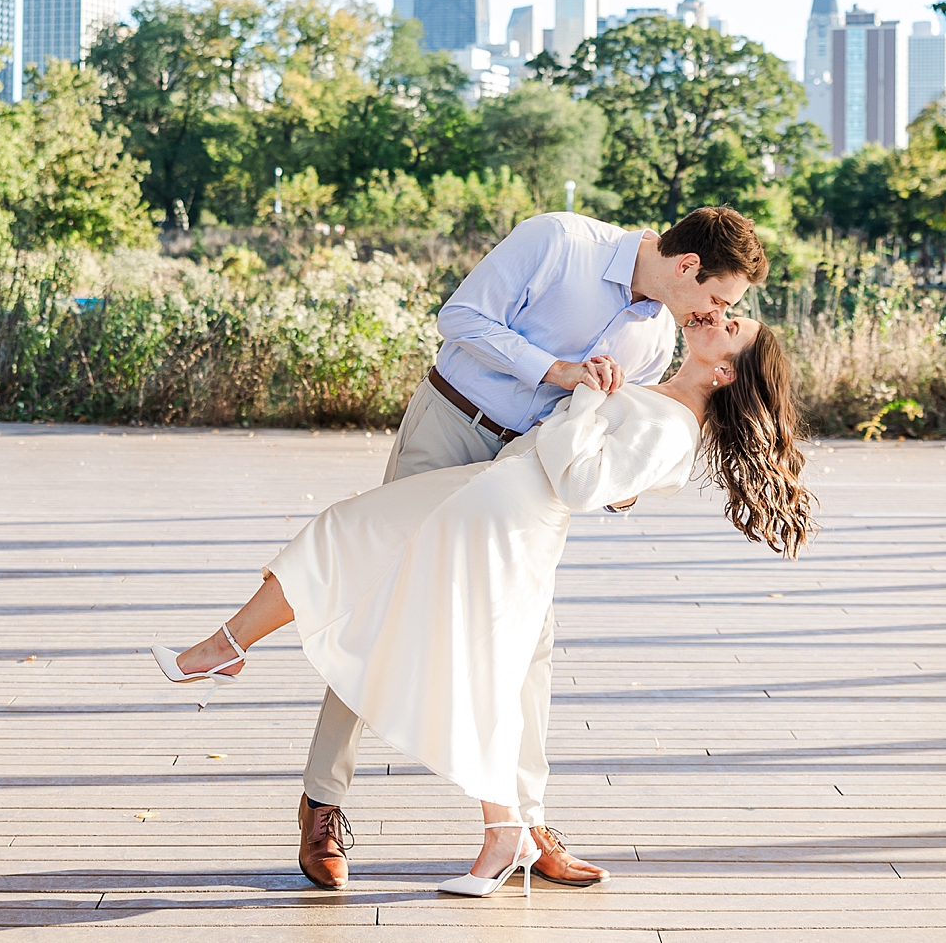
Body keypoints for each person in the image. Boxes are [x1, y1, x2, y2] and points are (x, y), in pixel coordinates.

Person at [153, 310, 814, 897]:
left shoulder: (673, 425)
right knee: (345, 534)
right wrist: (593, 397)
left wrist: (586, 396)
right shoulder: (662, 391)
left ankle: (507, 834)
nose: (719, 317)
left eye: (732, 327)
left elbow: (582, 481)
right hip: (493, 489)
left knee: (480, 667)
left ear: (726, 371)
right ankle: (225, 647)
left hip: (509, 513)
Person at [272, 204, 772, 890]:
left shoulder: (657, 339)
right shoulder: (559, 240)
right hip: (453, 422)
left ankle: (525, 824)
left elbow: (615, 435)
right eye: (716, 298)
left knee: (530, 644)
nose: (712, 315)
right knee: (378, 602)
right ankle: (322, 802)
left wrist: (622, 484)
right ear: (687, 266)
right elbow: (461, 319)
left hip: (527, 480)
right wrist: (557, 368)